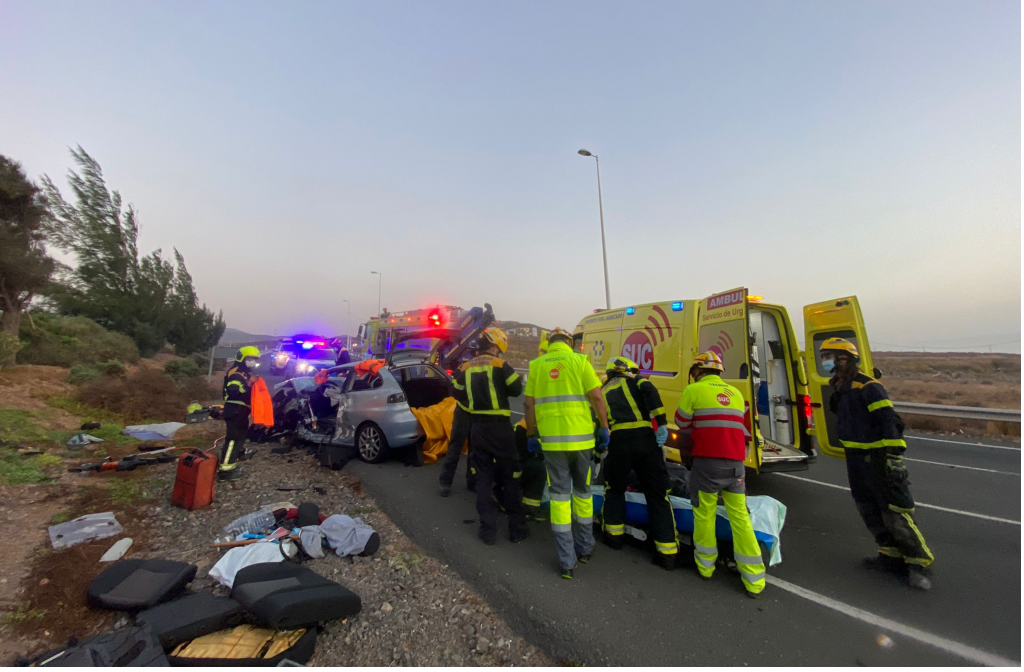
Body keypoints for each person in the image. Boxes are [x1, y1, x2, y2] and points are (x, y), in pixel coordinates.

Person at [821, 337, 934, 590]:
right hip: (856, 459)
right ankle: (889, 556)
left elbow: (889, 421)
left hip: (878, 458)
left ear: (845, 359)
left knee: (895, 511)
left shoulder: (868, 387)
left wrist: (894, 457)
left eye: (829, 356)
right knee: (868, 509)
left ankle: (918, 563)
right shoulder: (840, 389)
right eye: (824, 356)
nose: (825, 361)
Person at [674, 351, 766, 598]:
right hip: (736, 464)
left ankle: (705, 567)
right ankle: (754, 579)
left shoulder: (694, 390)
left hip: (707, 463)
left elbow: (681, 422)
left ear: (697, 372)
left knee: (705, 513)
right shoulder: (735, 393)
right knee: (740, 518)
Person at [524, 327, 610, 579]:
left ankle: (566, 562)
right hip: (582, 443)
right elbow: (596, 397)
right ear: (570, 343)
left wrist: (531, 434)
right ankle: (585, 549)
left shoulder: (537, 365)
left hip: (552, 445)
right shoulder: (579, 361)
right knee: (583, 494)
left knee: (559, 498)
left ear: (549, 343)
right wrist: (604, 428)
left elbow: (528, 403)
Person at [450, 329, 528, 545]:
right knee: (511, 476)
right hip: (500, 429)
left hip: (478, 428)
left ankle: (488, 531)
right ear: (495, 347)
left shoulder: (466, 366)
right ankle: (517, 531)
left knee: (483, 479)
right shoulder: (501, 366)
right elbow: (515, 390)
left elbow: (455, 390)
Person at [600, 357, 679, 569]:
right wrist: (662, 424)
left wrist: (599, 446)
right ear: (626, 370)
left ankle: (614, 539)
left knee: (614, 490)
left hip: (619, 442)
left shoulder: (603, 391)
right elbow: (652, 392)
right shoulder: (637, 381)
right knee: (658, 494)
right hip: (645, 440)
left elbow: (598, 419)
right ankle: (667, 554)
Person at [220, 346, 261, 481]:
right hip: (235, 410)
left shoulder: (244, 373)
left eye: (254, 359)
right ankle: (226, 471)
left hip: (240, 411)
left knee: (239, 439)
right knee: (233, 440)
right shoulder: (236, 373)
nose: (252, 362)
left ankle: (231, 464)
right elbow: (233, 392)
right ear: (242, 358)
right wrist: (249, 384)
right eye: (250, 359)